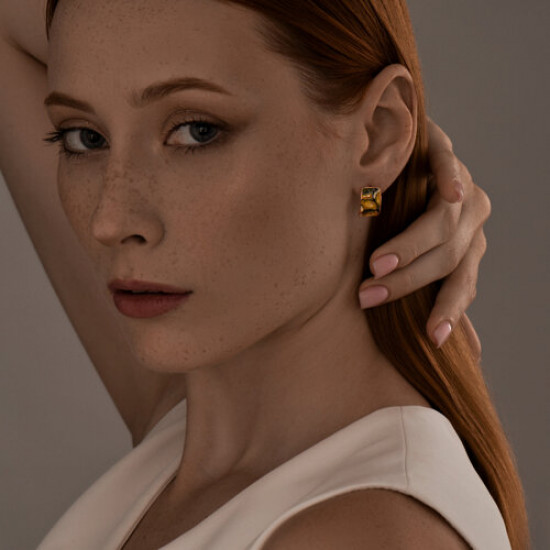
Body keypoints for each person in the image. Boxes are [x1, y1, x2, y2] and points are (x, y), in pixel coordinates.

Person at [0, 0, 529, 549]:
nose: (110, 221)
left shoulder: (362, 534)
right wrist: (391, 150)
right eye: (84, 138)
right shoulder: (195, 438)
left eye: (197, 131)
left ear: (380, 131)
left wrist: (388, 145)